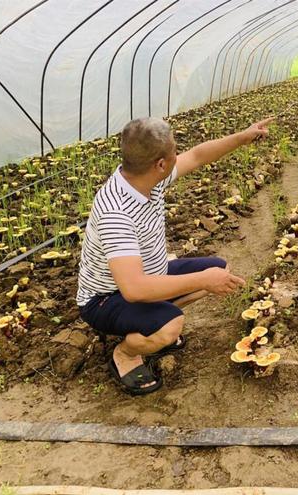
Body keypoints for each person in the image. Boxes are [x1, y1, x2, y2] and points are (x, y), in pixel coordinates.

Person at [76, 116, 273, 395]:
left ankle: (151, 324)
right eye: (173, 151)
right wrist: (203, 280)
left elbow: (198, 155)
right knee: (171, 325)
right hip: (105, 298)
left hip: (150, 274)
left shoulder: (145, 177)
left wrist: (242, 136)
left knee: (220, 269)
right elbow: (133, 289)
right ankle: (126, 353)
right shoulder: (115, 212)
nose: (178, 154)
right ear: (160, 164)